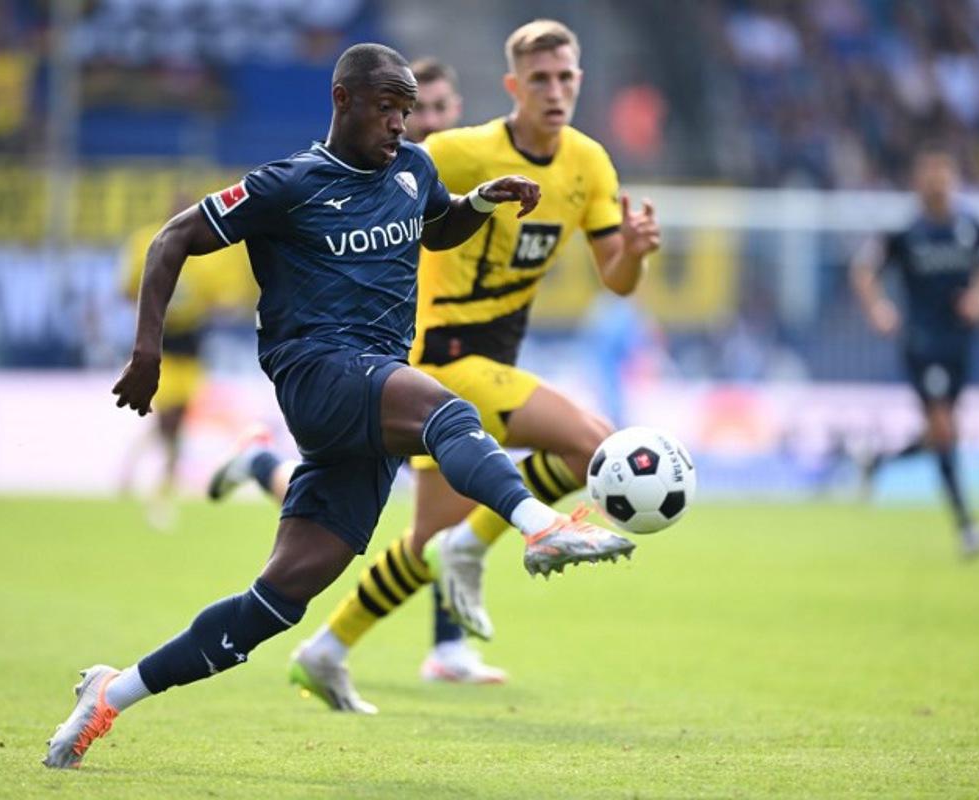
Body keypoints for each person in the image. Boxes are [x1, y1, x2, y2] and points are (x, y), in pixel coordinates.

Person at [42, 42, 636, 768]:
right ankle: (541, 526)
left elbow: (437, 224)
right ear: (343, 100)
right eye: (387, 108)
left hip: (370, 392)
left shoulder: (415, 170)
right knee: (448, 412)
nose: (399, 124)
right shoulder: (288, 185)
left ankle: (111, 692)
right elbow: (173, 239)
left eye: (406, 110)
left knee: (274, 602)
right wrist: (147, 352)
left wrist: (482, 202)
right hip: (316, 372)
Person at [214, 21, 662, 714]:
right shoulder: (458, 151)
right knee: (593, 444)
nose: (556, 90)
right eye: (540, 78)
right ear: (513, 85)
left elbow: (618, 279)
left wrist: (632, 250)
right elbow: (369, 169)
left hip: (491, 362)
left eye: (566, 77)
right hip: (439, 360)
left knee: (419, 543)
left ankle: (328, 647)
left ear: (580, 81)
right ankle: (480, 544)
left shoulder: (589, 163)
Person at [209, 57, 510, 686]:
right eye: (405, 110)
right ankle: (445, 646)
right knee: (435, 519)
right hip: (391, 365)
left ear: (453, 116)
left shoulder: (428, 175)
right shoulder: (338, 180)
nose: (415, 123)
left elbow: (450, 234)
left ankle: (262, 465)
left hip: (415, 356)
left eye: (429, 110)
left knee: (388, 513)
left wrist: (480, 204)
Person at [851, 148, 979, 559]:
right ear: (919, 182)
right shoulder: (905, 234)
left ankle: (878, 462)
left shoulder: (971, 229)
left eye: (943, 174)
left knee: (941, 434)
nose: (937, 182)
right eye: (929, 174)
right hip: (922, 342)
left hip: (959, 344)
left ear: (953, 180)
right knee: (945, 429)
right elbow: (863, 270)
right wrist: (878, 308)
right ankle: (967, 527)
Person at [115, 209, 254, 529]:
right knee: (168, 423)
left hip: (191, 351)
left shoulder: (204, 254)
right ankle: (151, 487)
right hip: (161, 350)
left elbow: (219, 300)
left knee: (173, 424)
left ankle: (146, 481)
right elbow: (127, 290)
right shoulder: (150, 244)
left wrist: (219, 305)